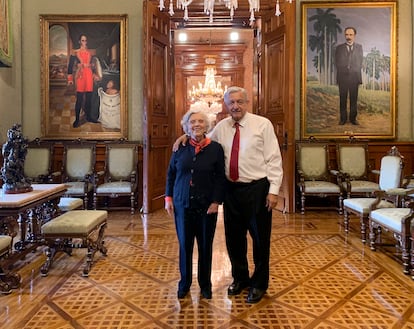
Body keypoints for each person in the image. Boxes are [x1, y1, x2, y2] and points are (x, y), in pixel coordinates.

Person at [173, 86, 283, 303]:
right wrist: (183, 137)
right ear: (226, 105)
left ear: (247, 102)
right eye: (231, 102)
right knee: (234, 240)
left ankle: (259, 284)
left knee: (260, 241)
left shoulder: (263, 124)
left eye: (240, 101)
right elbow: (200, 137)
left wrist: (273, 191)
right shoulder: (222, 126)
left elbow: (274, 158)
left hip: (257, 189)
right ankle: (240, 278)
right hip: (231, 191)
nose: (235, 106)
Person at [165, 109, 226, 300]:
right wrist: (168, 198)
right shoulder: (179, 147)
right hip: (182, 205)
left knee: (206, 246)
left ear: (206, 126)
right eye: (192, 122)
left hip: (207, 206)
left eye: (200, 121)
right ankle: (184, 284)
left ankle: (205, 285)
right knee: (185, 245)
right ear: (186, 126)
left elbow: (220, 178)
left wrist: (216, 201)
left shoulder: (215, 148)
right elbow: (171, 174)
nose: (196, 124)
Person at [67, 33, 101, 128]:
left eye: (85, 40)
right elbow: (70, 67)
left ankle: (89, 117)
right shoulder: (75, 52)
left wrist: (95, 74)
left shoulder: (91, 52)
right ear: (79, 42)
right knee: (80, 98)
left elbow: (94, 65)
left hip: (89, 75)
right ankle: (77, 119)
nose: (84, 42)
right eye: (82, 40)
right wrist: (70, 79)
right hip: (80, 76)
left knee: (89, 98)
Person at [335, 27, 364, 125]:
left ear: (354, 36)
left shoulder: (359, 47)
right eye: (347, 34)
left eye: (351, 35)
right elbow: (337, 62)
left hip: (354, 78)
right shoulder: (339, 48)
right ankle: (343, 119)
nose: (348, 37)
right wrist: (346, 68)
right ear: (345, 35)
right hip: (343, 78)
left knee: (353, 99)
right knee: (342, 99)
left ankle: (353, 119)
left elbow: (360, 62)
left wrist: (352, 70)